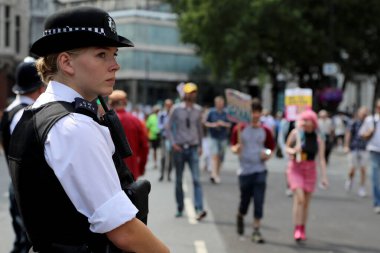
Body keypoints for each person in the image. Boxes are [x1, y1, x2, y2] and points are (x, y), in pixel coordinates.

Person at [7, 7, 169, 253]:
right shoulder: (73, 126)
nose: (115, 65)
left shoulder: (38, 111)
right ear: (66, 62)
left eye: (114, 54)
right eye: (102, 54)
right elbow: (124, 230)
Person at [0, 58, 46, 253]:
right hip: (27, 188)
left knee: (22, 240)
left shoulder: (11, 110)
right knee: (26, 243)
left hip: (16, 183)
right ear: (39, 86)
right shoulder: (26, 113)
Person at [230, 99, 275, 244]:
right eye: (252, 112)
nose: (255, 115)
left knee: (259, 200)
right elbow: (233, 146)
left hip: (260, 169)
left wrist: (267, 154)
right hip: (245, 171)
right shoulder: (239, 128)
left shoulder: (266, 130)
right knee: (245, 201)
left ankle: (256, 230)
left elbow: (270, 148)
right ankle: (240, 215)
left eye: (257, 112)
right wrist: (236, 149)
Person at [166, 82, 207, 221]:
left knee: (196, 179)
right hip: (179, 148)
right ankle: (180, 207)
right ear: (184, 94)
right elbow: (168, 127)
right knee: (179, 180)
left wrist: (201, 145)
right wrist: (173, 143)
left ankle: (199, 208)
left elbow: (200, 129)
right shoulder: (176, 109)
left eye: (194, 92)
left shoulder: (198, 110)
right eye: (189, 92)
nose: (191, 94)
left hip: (193, 147)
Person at [285, 110, 328, 242]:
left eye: (309, 121)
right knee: (300, 199)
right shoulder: (296, 133)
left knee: (306, 203)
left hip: (310, 170)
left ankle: (302, 227)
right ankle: (297, 227)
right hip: (296, 168)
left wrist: (324, 177)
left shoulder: (318, 139)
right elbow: (286, 147)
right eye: (304, 121)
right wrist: (293, 150)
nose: (306, 124)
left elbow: (321, 159)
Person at [108, 90, 149, 180]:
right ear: (125, 102)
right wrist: (141, 167)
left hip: (112, 172)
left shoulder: (106, 122)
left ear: (111, 103)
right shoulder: (136, 120)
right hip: (132, 170)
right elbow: (145, 146)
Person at [360, 99, 380, 214]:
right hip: (374, 151)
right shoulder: (370, 120)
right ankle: (378, 202)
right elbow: (362, 134)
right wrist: (369, 132)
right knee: (376, 178)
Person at [204, 96, 231, 184]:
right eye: (218, 103)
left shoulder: (227, 113)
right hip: (213, 136)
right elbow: (205, 122)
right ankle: (213, 174)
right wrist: (213, 125)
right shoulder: (211, 112)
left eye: (221, 103)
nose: (220, 105)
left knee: (221, 157)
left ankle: (217, 173)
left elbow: (231, 124)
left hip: (223, 137)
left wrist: (223, 124)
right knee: (214, 155)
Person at [344, 106, 368, 197]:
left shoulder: (369, 123)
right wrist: (346, 146)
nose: (364, 115)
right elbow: (348, 134)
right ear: (359, 113)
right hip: (354, 148)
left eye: (366, 113)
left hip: (364, 148)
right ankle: (350, 179)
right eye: (363, 113)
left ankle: (362, 187)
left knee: (363, 169)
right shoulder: (353, 122)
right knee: (352, 168)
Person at [158, 99, 174, 181]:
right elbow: (159, 126)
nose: (168, 107)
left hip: (171, 139)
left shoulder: (174, 115)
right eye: (167, 105)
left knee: (171, 158)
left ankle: (169, 174)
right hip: (164, 138)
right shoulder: (161, 115)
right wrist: (165, 127)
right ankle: (162, 174)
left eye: (170, 105)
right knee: (163, 157)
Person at [146, 105, 161, 169]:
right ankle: (155, 163)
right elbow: (147, 126)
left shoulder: (160, 116)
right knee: (154, 150)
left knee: (156, 150)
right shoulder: (151, 117)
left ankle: (156, 162)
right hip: (153, 136)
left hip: (159, 136)